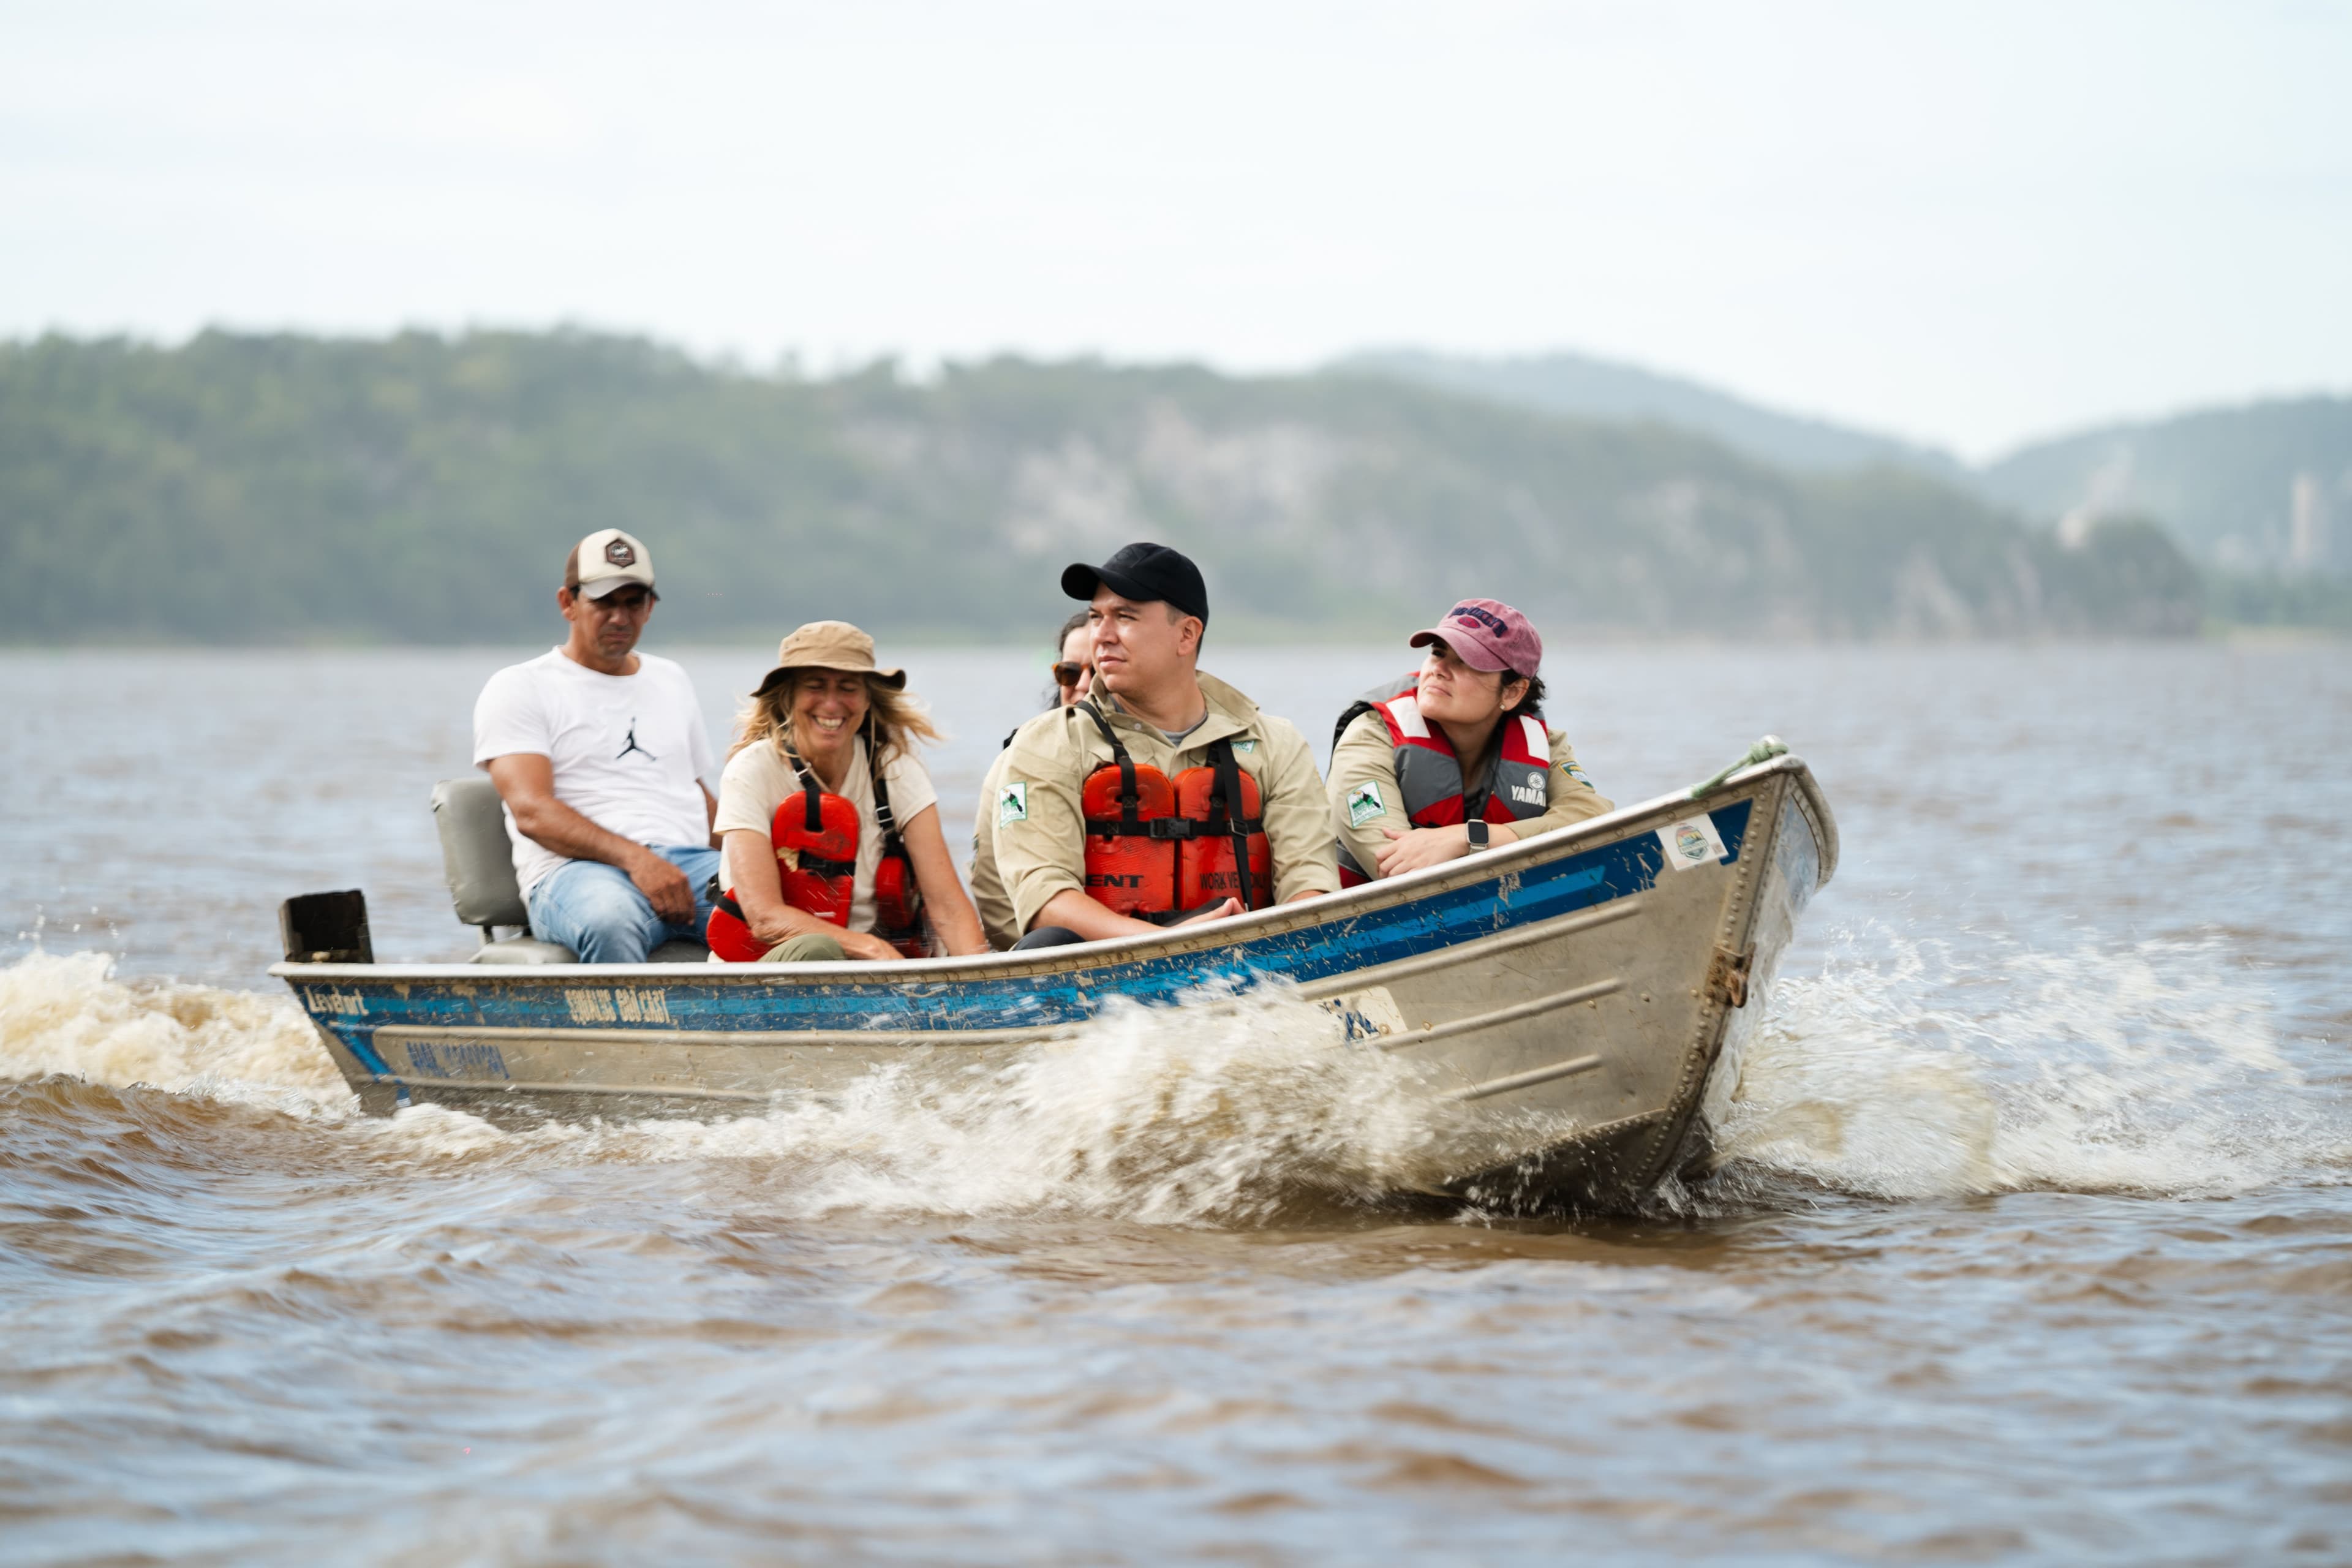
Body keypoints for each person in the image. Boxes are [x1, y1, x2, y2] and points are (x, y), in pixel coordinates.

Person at [990, 542, 1338, 949]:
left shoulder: (1277, 745)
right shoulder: (1046, 743)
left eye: (1125, 617)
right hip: (1104, 969)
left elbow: (1310, 884)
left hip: (1251, 959)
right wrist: (1171, 943)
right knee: (1045, 943)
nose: (1101, 635)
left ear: (1187, 635)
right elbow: (1046, 899)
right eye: (1096, 616)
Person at [473, 529, 720, 962]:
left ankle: (783, 1025)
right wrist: (639, 861)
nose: (620, 618)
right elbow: (532, 812)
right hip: (573, 874)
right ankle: (630, 1031)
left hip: (691, 866)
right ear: (567, 603)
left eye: (633, 602)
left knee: (784, 906)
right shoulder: (519, 686)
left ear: (651, 608)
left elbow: (699, 794)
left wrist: (756, 861)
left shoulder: (671, 679)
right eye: (604, 602)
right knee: (611, 919)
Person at [707, 622, 987, 963]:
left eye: (848, 687)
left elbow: (948, 907)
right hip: (770, 968)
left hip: (873, 970)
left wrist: (981, 979)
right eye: (815, 686)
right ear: (788, 696)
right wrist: (870, 948)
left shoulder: (894, 767)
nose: (831, 703)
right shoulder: (750, 770)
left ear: (868, 699)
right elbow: (765, 918)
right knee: (819, 949)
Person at [1328, 598, 1611, 884]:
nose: (1439, 669)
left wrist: (1468, 838)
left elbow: (1593, 820)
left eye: (1466, 662)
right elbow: (1394, 863)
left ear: (1513, 692)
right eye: (1438, 654)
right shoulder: (1370, 735)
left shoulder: (1544, 745)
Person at [970, 611, 1092, 950]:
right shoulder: (1022, 761)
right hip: (1038, 945)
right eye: (1069, 673)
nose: (1082, 686)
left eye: (1097, 672)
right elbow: (1000, 909)